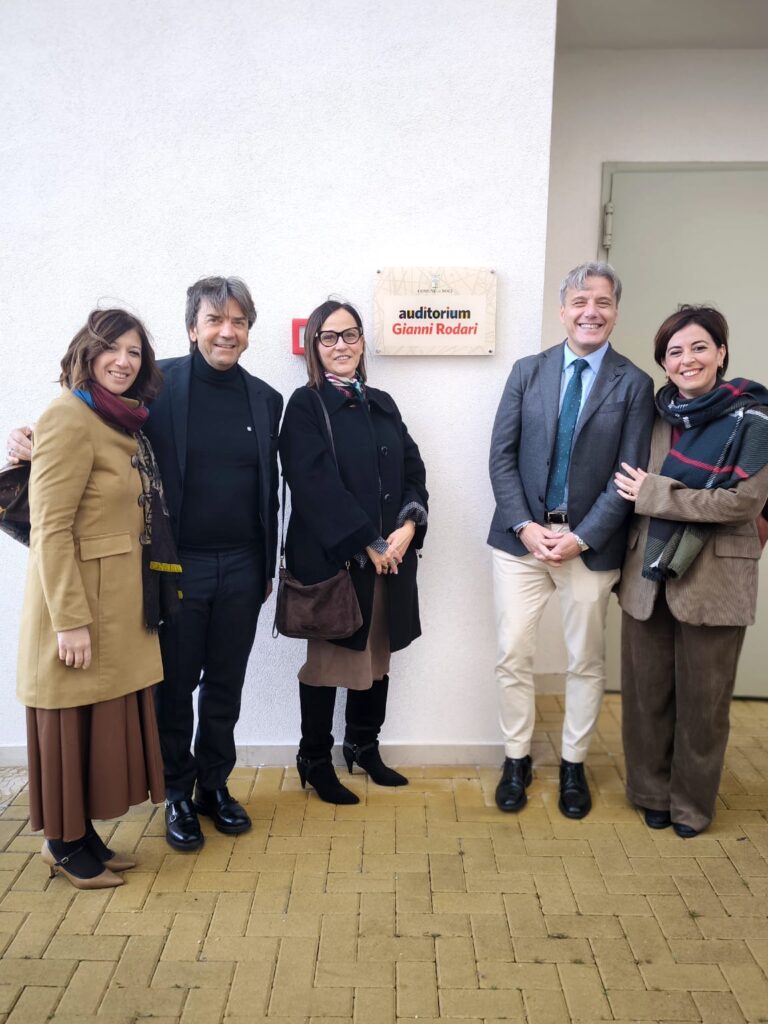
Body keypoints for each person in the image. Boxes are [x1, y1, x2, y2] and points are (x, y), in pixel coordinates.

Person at [9, 277, 283, 852]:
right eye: (214, 320)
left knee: (226, 685)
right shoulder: (158, 387)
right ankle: (177, 792)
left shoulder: (266, 399)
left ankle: (214, 786)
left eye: (238, 322)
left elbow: (269, 488)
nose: (227, 331)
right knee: (173, 687)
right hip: (174, 567)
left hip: (244, 565)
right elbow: (95, 418)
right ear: (193, 328)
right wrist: (36, 443)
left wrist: (267, 567)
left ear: (248, 331)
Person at [488, 261, 654, 819]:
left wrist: (581, 537)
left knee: (585, 658)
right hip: (521, 541)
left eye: (602, 302)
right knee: (514, 652)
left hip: (590, 545)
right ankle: (516, 758)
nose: (591, 311)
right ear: (562, 311)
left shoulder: (634, 384)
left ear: (615, 312)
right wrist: (524, 525)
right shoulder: (527, 372)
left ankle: (574, 764)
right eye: (580, 301)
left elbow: (628, 475)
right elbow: (501, 457)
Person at [16, 309, 173, 889]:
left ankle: (81, 836)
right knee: (69, 725)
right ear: (88, 351)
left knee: (93, 726)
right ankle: (61, 845)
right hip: (79, 608)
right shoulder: (67, 416)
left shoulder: (119, 420)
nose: (123, 361)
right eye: (113, 348)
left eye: (134, 352)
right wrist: (70, 622)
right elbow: (50, 529)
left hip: (116, 606)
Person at [615, 305, 768, 837]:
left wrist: (657, 494)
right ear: (663, 362)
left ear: (721, 353)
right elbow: (620, 484)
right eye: (675, 351)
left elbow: (743, 503)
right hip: (645, 574)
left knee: (704, 704)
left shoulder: (753, 420)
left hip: (717, 578)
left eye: (700, 347)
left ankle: (691, 806)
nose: (688, 359)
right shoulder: (653, 416)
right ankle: (649, 793)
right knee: (645, 697)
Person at [278, 300, 428, 804]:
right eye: (329, 337)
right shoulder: (306, 404)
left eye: (350, 335)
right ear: (314, 347)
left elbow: (413, 470)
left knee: (377, 655)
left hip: (390, 561)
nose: (341, 345)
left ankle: (363, 745)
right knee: (327, 665)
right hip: (339, 565)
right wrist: (369, 540)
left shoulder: (382, 402)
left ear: (363, 342)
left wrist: (408, 525)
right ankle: (314, 759)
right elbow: (313, 483)